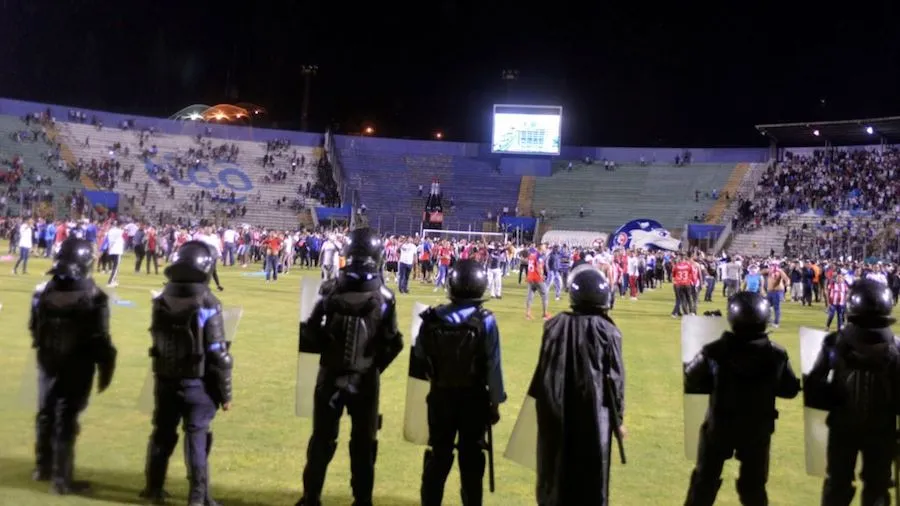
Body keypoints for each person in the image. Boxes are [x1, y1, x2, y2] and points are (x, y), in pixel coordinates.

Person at [296, 227, 404, 506]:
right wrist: (374, 365)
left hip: (329, 376)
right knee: (364, 445)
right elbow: (393, 343)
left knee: (321, 440)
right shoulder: (386, 299)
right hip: (365, 380)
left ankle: (311, 498)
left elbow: (309, 332)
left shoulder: (329, 291)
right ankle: (362, 500)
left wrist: (327, 346)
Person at [683, 291, 801, 505]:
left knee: (704, 481)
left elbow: (692, 378)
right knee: (754, 486)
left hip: (719, 426)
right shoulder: (776, 354)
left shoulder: (715, 350)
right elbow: (790, 389)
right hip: (757, 429)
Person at [140, 240, 234, 506]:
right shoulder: (207, 302)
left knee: (162, 432)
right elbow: (218, 353)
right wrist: (226, 393)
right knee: (197, 435)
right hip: (197, 383)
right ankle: (198, 498)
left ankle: (153, 486)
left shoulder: (162, 298)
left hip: (165, 379)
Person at [413, 259, 506, 505]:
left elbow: (420, 359)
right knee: (472, 462)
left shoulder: (431, 319)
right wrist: (495, 404)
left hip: (440, 397)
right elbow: (493, 366)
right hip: (474, 400)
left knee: (438, 458)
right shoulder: (486, 320)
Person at [530, 264, 625, 506]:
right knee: (591, 475)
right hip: (594, 414)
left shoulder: (553, 326)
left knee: (554, 468)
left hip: (554, 409)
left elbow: (542, 371)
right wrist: (618, 419)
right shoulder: (608, 331)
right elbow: (615, 379)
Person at [30, 237, 117, 494]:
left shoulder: (42, 292)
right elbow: (100, 338)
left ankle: (42, 467)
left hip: (47, 361)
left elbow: (34, 328)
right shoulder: (94, 297)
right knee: (66, 418)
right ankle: (61, 479)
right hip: (78, 365)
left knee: (46, 412)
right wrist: (106, 365)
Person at [805, 279, 900, 506]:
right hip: (882, 430)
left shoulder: (834, 343)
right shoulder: (897, 347)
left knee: (837, 485)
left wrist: (836, 398)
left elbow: (813, 389)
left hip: (842, 428)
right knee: (877, 488)